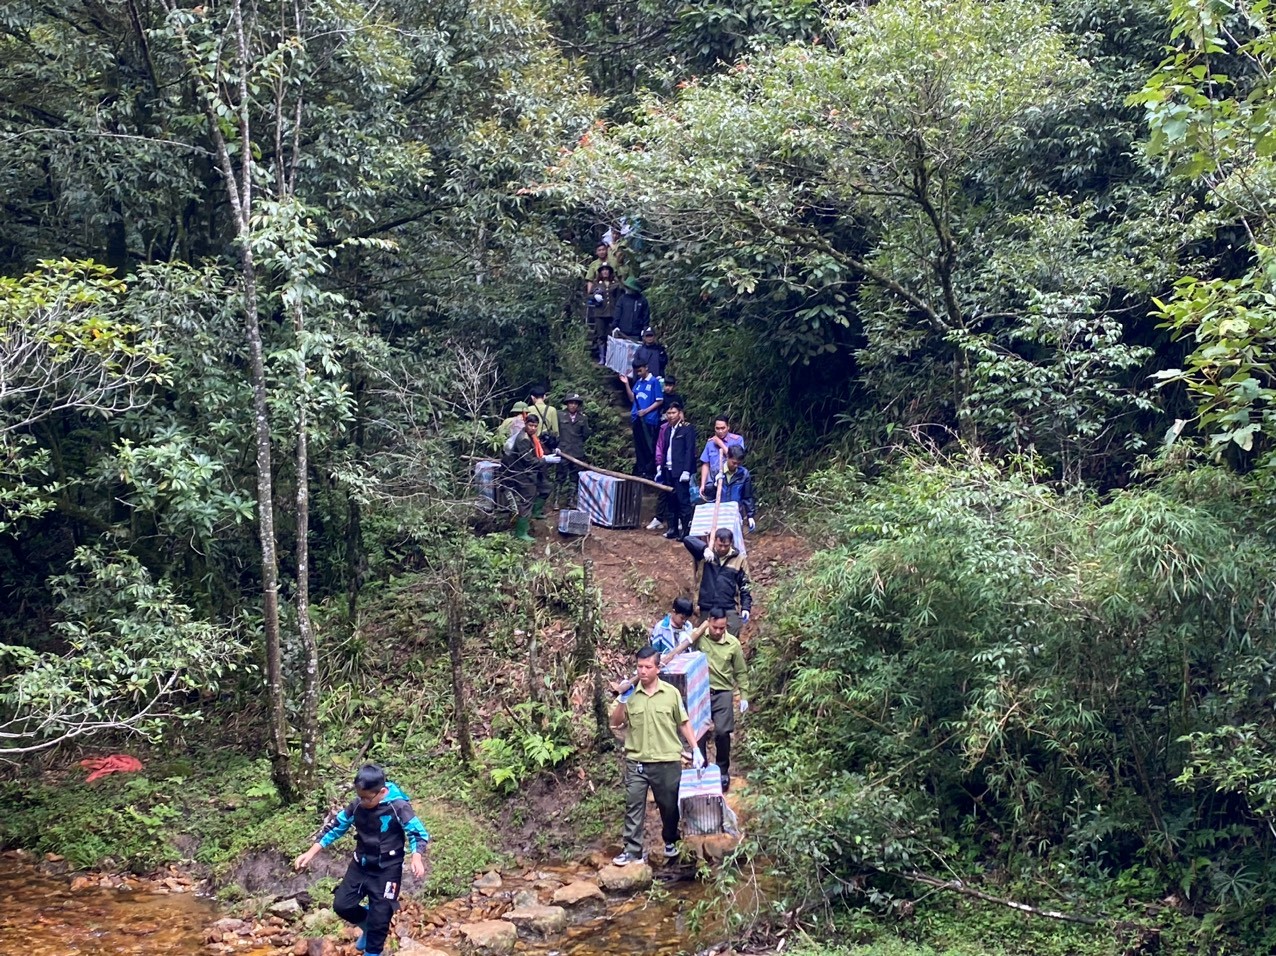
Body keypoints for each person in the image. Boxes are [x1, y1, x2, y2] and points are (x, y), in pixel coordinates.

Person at [294, 764, 429, 956]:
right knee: (342, 905)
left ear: (382, 792)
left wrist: (417, 856)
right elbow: (336, 826)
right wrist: (311, 852)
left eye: (367, 798)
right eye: (360, 796)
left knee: (381, 917)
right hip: (361, 866)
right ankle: (366, 922)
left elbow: (417, 833)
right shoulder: (357, 805)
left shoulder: (398, 807)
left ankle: (372, 951)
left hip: (388, 870)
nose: (363, 801)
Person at [609, 645, 704, 865]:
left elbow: (683, 722)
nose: (642, 671)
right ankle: (632, 850)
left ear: (658, 668)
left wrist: (695, 748)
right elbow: (615, 722)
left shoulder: (670, 693)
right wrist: (622, 700)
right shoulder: (630, 694)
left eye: (647, 667)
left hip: (666, 760)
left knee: (669, 806)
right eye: (639, 667)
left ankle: (671, 841)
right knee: (633, 806)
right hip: (637, 760)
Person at [693, 607, 749, 792]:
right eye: (715, 627)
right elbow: (684, 649)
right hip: (701, 691)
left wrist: (744, 695)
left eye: (722, 628)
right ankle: (700, 767)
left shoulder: (733, 644)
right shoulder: (699, 637)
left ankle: (722, 770)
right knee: (699, 733)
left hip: (723, 691)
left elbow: (740, 671)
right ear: (708, 622)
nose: (718, 631)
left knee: (723, 732)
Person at [683, 527, 752, 635]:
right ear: (715, 541)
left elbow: (745, 585)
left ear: (731, 543)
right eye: (720, 545)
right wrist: (704, 549)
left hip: (729, 605)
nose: (723, 548)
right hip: (706, 605)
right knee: (705, 637)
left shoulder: (739, 559)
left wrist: (746, 607)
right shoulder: (706, 554)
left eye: (726, 545)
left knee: (732, 635)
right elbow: (687, 539)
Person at [501, 413, 548, 542]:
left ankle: (533, 515)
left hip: (528, 472)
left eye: (535, 426)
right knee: (527, 500)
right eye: (530, 425)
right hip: (522, 474)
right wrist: (545, 460)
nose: (533, 428)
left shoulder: (531, 437)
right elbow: (528, 460)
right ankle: (521, 532)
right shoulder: (524, 439)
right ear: (526, 424)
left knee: (544, 489)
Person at [658, 400, 697, 540]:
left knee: (683, 501)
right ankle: (672, 528)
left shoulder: (687, 428)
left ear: (680, 413)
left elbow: (689, 451)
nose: (670, 415)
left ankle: (686, 531)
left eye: (673, 412)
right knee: (670, 500)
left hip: (680, 471)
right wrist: (660, 467)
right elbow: (665, 449)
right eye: (668, 413)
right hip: (668, 469)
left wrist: (687, 470)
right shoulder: (667, 429)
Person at [620, 358, 663, 480]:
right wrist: (626, 384)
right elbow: (632, 398)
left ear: (646, 368)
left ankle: (650, 471)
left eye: (640, 370)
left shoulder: (654, 381)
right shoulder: (638, 383)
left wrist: (646, 411)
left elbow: (659, 400)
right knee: (639, 446)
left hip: (649, 420)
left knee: (649, 446)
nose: (638, 373)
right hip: (637, 418)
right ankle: (641, 469)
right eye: (637, 371)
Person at [698, 415, 746, 500]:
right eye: (717, 428)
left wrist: (719, 443)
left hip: (732, 481)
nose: (720, 431)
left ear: (728, 427)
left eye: (723, 428)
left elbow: (736, 458)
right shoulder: (710, 443)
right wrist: (702, 484)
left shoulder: (737, 440)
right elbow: (706, 464)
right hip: (713, 483)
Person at [555, 393, 590, 508]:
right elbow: (555, 431)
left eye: (575, 403)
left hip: (577, 451)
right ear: (567, 404)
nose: (573, 405)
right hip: (563, 450)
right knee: (560, 476)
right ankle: (556, 500)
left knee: (574, 477)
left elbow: (585, 434)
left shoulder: (583, 418)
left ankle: (571, 500)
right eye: (571, 403)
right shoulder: (560, 415)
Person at [587, 264, 620, 362]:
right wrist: (594, 297)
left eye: (607, 270)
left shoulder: (615, 284)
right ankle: (602, 357)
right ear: (600, 272)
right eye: (603, 270)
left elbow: (619, 298)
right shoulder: (596, 284)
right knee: (601, 335)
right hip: (600, 313)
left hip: (612, 313)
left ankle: (611, 358)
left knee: (611, 335)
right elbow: (589, 297)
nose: (605, 272)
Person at [719, 445, 756, 532]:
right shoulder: (717, 470)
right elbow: (708, 494)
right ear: (728, 457)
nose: (736, 466)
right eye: (734, 463)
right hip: (719, 513)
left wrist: (750, 516)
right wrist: (714, 484)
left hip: (736, 513)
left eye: (739, 464)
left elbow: (747, 496)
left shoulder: (744, 474)